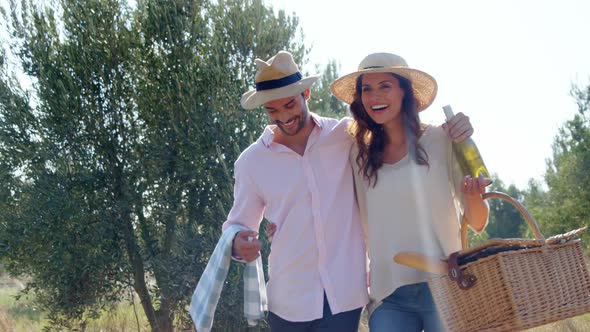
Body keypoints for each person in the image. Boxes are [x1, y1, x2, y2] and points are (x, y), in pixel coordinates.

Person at [224, 50, 474, 332]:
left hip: (344, 298)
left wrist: (456, 128)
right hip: (288, 299)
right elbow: (237, 225)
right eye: (272, 110)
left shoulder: (345, 137)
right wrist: (238, 243)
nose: (284, 116)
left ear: (306, 94)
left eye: (290, 104)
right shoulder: (252, 162)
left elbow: (397, 130)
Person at [328, 52, 490, 332]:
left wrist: (474, 196)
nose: (374, 96)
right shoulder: (357, 152)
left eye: (385, 86)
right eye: (366, 89)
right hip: (389, 295)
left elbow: (478, 222)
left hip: (447, 287)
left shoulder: (441, 140)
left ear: (405, 91)